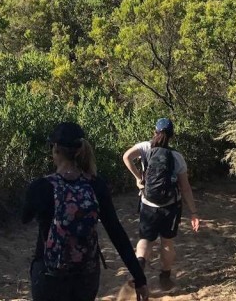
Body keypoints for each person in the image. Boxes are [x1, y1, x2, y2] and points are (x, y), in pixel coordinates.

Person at [23, 121, 149, 301]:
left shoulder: (41, 186)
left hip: (49, 275)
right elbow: (116, 232)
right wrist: (139, 277)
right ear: (80, 149)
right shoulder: (96, 185)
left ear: (55, 148)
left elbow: (24, 218)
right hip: (86, 276)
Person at [121, 117, 199, 291]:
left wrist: (138, 178)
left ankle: (138, 268)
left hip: (148, 204)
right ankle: (165, 277)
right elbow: (185, 188)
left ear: (154, 131)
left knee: (145, 241)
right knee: (167, 243)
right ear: (171, 135)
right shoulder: (177, 157)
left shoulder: (144, 147)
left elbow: (126, 157)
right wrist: (194, 212)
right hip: (170, 207)